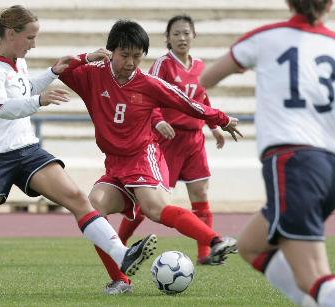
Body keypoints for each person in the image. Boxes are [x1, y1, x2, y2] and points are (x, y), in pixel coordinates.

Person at [0, 6, 157, 297]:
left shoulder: (18, 64)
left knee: (78, 198)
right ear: (11, 34)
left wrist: (60, 68)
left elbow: (25, 87)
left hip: (27, 150)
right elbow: (1, 108)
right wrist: (39, 100)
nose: (34, 44)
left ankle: (122, 255)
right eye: (30, 37)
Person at [58, 20, 241, 295]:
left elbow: (188, 103)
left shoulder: (148, 83)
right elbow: (60, 68)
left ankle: (215, 240)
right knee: (93, 208)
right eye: (124, 55)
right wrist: (87, 57)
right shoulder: (93, 75)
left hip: (144, 157)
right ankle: (121, 279)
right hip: (114, 164)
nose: (131, 63)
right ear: (110, 51)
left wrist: (222, 119)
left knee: (154, 209)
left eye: (137, 56)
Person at [200, 0, 335, 306]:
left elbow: (206, 79)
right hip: (331, 169)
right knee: (250, 246)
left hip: (293, 164)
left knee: (315, 276)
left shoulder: (266, 37)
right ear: (331, 4)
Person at [117, 15, 226, 266]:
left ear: (194, 36)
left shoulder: (199, 65)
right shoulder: (163, 64)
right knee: (151, 202)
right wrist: (157, 120)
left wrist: (214, 126)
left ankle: (205, 254)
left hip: (194, 140)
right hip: (168, 140)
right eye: (176, 33)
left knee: (200, 192)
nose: (182, 38)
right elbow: (148, 94)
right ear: (167, 39)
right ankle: (119, 244)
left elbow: (201, 99)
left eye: (186, 33)